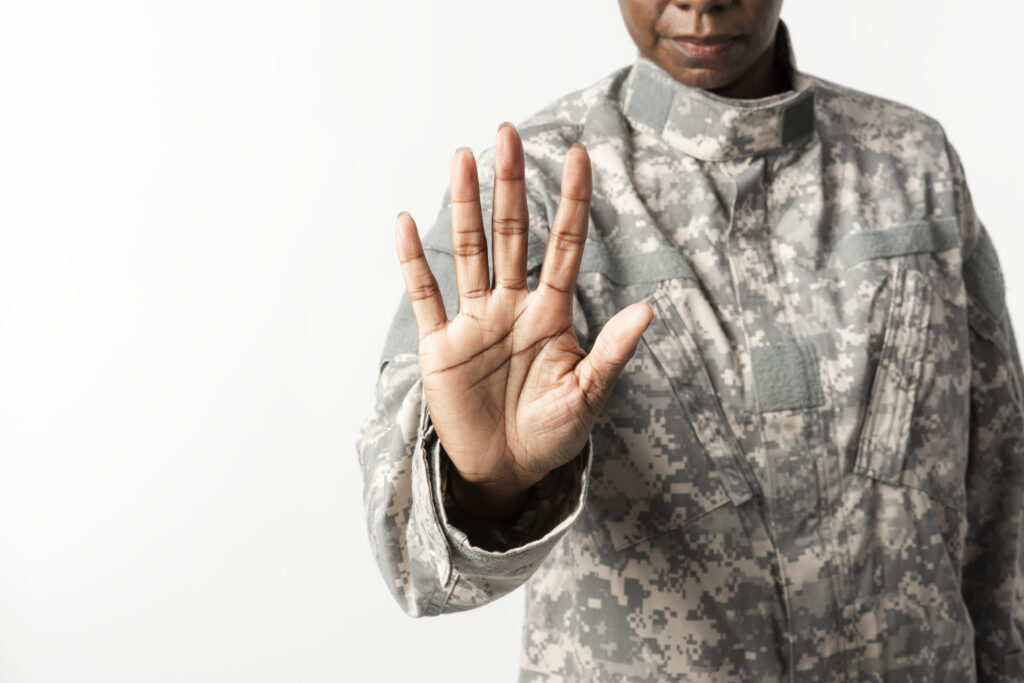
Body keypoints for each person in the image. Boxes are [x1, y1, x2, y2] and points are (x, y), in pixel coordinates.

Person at [356, 1, 1024, 680]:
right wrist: (484, 487)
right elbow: (415, 562)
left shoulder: (912, 165)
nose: (699, 0)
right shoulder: (533, 193)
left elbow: (1003, 493)